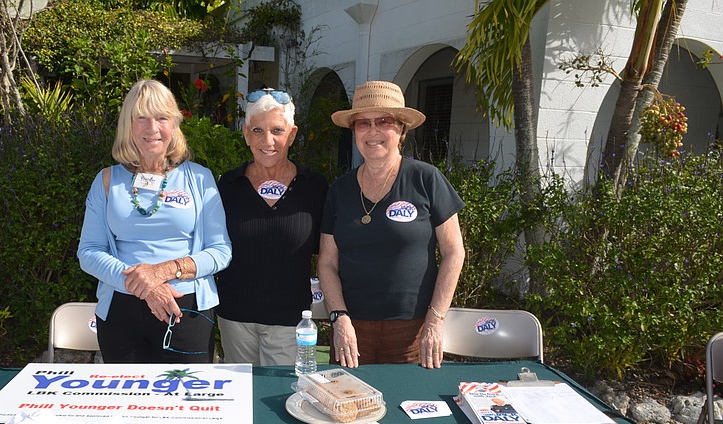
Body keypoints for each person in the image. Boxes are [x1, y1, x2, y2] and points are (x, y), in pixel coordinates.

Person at [78, 79, 232, 363]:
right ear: (128, 124)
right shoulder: (106, 180)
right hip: (120, 310)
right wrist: (144, 285)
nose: (152, 128)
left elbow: (221, 251)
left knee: (187, 404)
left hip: (187, 310)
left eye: (162, 118)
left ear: (174, 125)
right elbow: (88, 252)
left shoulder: (199, 178)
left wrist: (163, 271)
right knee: (127, 404)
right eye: (141, 118)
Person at [318, 81, 465, 369]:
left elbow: (454, 252)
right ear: (354, 131)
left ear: (401, 129)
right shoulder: (339, 189)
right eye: (363, 123)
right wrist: (339, 318)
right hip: (351, 330)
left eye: (384, 121)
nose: (373, 131)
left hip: (413, 330)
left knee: (408, 406)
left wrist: (435, 320)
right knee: (350, 406)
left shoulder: (427, 179)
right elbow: (327, 262)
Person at [216, 88, 328, 366]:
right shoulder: (228, 185)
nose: (268, 141)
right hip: (234, 318)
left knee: (284, 397)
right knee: (242, 399)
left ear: (292, 134)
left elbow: (328, 256)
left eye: (277, 130)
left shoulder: (315, 187)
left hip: (291, 321)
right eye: (257, 130)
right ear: (245, 134)